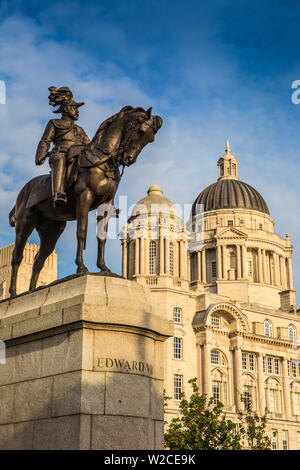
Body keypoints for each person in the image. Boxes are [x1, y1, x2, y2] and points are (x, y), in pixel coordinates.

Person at [35, 86, 90, 206]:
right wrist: (41, 154)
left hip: (77, 155)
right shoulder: (54, 123)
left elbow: (89, 144)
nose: (77, 111)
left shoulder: (79, 129)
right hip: (60, 154)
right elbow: (45, 140)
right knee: (59, 159)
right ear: (66, 108)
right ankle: (58, 193)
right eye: (74, 108)